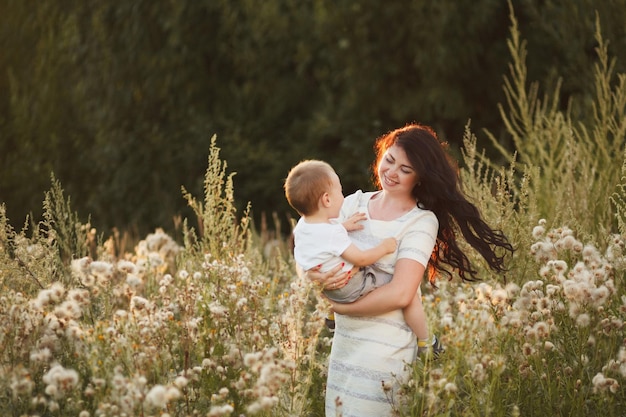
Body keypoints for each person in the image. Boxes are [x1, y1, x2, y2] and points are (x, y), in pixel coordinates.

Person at [307, 123, 514, 417]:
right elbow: (313, 244)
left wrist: (341, 307)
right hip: (345, 349)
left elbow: (402, 293)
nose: (392, 172)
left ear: (420, 178)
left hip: (385, 355)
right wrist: (321, 283)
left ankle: (427, 342)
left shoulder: (420, 221)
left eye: (406, 169)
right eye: (389, 160)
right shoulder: (353, 203)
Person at [284, 160, 436, 348]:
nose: (342, 195)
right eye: (339, 191)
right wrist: (384, 248)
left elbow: (318, 242)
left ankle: (329, 314)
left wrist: (312, 278)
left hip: (328, 289)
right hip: (351, 286)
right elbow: (361, 259)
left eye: (405, 169)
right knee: (410, 294)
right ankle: (426, 342)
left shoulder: (302, 227)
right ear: (327, 200)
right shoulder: (337, 229)